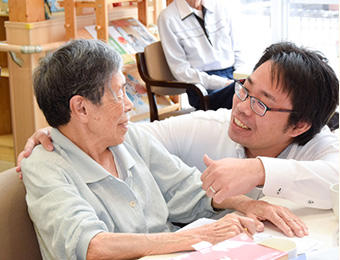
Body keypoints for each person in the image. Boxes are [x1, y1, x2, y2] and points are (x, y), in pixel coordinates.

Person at [21, 39, 308, 260]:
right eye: (120, 93)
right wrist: (198, 237)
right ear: (81, 108)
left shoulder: (128, 137)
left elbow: (186, 189)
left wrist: (247, 204)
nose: (130, 104)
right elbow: (93, 245)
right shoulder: (45, 166)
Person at [157, 0, 245, 110]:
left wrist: (241, 78)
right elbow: (181, 71)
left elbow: (239, 50)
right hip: (202, 86)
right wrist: (224, 84)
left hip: (233, 75)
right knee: (245, 95)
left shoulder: (221, 6)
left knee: (257, 89)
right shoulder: (167, 18)